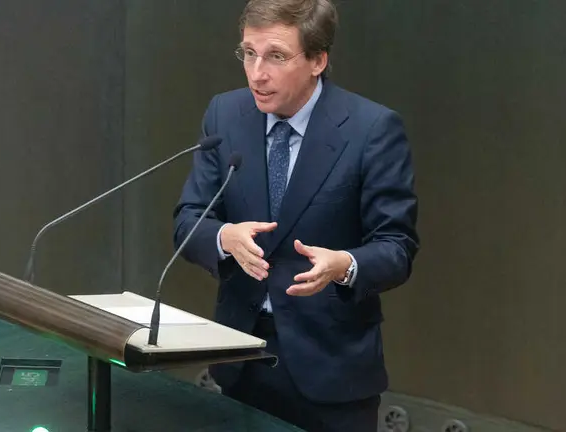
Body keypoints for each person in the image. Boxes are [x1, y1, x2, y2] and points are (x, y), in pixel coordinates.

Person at [173, 0, 419, 430]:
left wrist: (345, 264)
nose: (257, 73)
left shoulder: (371, 129)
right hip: (239, 358)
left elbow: (397, 247)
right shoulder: (225, 115)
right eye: (249, 53)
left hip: (332, 369)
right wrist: (224, 236)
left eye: (276, 56)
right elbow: (188, 220)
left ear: (317, 61)